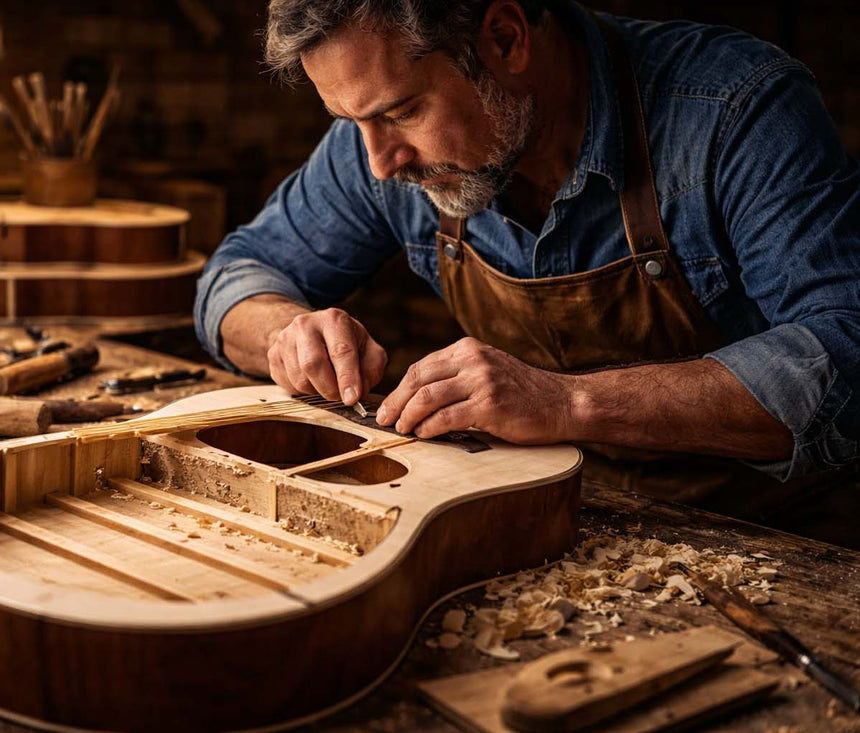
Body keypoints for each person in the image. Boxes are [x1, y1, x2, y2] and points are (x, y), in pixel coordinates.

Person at [193, 0, 860, 526]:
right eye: (351, 121)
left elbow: (845, 355)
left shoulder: (733, 110)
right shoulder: (380, 149)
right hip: (549, 521)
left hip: (773, 536)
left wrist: (569, 400)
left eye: (401, 112)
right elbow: (238, 274)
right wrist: (286, 331)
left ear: (506, 39)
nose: (378, 161)